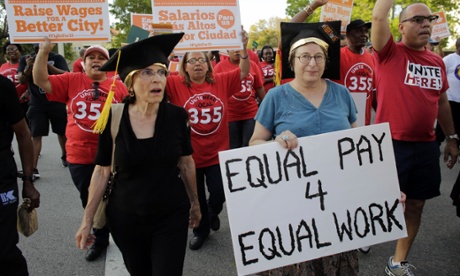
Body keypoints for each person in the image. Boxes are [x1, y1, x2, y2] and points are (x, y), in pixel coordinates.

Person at [75, 33, 201, 276]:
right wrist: (87, 219)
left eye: (161, 72)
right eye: (147, 72)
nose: (157, 79)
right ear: (130, 82)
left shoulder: (177, 117)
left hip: (170, 215)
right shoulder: (113, 118)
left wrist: (195, 203)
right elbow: (101, 171)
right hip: (126, 218)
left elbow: (186, 163)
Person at [249, 21, 360, 275]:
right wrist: (275, 143)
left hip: (338, 201)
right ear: (292, 60)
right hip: (292, 202)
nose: (312, 63)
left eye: (319, 56)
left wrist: (381, 188)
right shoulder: (276, 97)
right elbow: (254, 143)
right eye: (305, 56)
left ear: (326, 60)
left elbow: (357, 144)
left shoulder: (342, 94)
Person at [371, 2, 458, 275]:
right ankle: (358, 240)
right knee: (379, 201)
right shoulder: (389, 53)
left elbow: (442, 102)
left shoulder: (436, 61)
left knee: (416, 204)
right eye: (417, 19)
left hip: (426, 145)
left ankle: (397, 262)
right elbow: (378, 14)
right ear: (401, 27)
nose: (426, 24)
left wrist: (452, 137)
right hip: (391, 143)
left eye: (429, 19)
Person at [32, 40, 128, 262]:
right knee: (90, 199)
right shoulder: (71, 80)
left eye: (101, 58)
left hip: (112, 156)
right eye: (91, 58)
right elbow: (40, 80)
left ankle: (122, 234)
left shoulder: (119, 86)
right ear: (82, 64)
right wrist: (45, 51)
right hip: (80, 155)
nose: (96, 61)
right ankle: (100, 238)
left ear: (108, 63)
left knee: (118, 198)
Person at [165, 28, 250, 250]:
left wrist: (243, 47)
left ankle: (212, 213)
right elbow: (154, 73)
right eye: (191, 61)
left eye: (201, 59)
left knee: (220, 193)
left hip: (217, 153)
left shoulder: (220, 81)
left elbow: (243, 72)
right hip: (189, 157)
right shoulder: (175, 84)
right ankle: (200, 230)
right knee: (196, 197)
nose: (197, 64)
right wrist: (161, 48)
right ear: (184, 66)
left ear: (209, 63)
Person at [290, 0, 375, 126]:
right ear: (347, 34)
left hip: (363, 118)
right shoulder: (336, 56)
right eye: (359, 31)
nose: (364, 35)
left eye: (366, 31)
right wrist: (314, 6)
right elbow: (291, 29)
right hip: (337, 116)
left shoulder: (372, 58)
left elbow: (374, 92)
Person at [0, 74, 40, 276]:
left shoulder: (2, 85)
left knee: (4, 249)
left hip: (1, 179)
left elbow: (23, 134)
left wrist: (28, 181)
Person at [17, 44, 68, 177]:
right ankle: (32, 169)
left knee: (62, 132)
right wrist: (29, 66)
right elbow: (21, 79)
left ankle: (65, 156)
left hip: (57, 101)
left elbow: (66, 74)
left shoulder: (57, 58)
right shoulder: (25, 59)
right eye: (37, 48)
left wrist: (46, 64)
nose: (39, 50)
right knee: (36, 134)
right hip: (37, 103)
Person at [214, 48, 265, 149]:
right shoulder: (220, 67)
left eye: (239, 49)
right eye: (233, 49)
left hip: (250, 113)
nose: (237, 51)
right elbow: (215, 89)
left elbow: (259, 87)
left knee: (250, 146)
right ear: (227, 51)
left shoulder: (252, 65)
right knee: (233, 147)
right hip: (230, 116)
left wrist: (266, 107)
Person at [0, 42, 29, 120]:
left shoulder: (25, 65)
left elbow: (33, 81)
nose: (10, 51)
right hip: (8, 104)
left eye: (13, 49)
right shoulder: (3, 66)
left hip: (24, 103)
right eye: (8, 50)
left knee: (25, 129)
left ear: (19, 51)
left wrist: (27, 92)